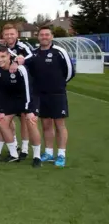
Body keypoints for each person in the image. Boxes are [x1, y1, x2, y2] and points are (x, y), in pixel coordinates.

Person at [28, 26, 75, 168]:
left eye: (47, 35)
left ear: (51, 36)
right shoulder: (33, 53)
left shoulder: (59, 52)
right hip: (41, 95)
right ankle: (48, 152)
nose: (44, 37)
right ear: (38, 37)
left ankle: (61, 154)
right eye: (42, 35)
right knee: (46, 124)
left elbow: (70, 72)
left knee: (59, 124)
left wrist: (59, 84)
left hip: (57, 94)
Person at [0, 46, 42, 168]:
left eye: (3, 57)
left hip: (28, 98)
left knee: (31, 121)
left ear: (9, 56)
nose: (0, 60)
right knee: (1, 122)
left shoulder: (20, 69)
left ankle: (37, 156)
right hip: (10, 100)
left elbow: (28, 89)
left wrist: (28, 110)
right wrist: (0, 110)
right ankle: (14, 154)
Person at [1, 23, 35, 159]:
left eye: (12, 34)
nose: (9, 36)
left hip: (22, 88)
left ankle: (25, 149)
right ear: (3, 35)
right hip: (8, 88)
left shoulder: (23, 47)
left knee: (24, 118)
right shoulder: (2, 48)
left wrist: (19, 60)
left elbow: (32, 57)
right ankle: (13, 145)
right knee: (6, 118)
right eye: (6, 34)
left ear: (17, 35)